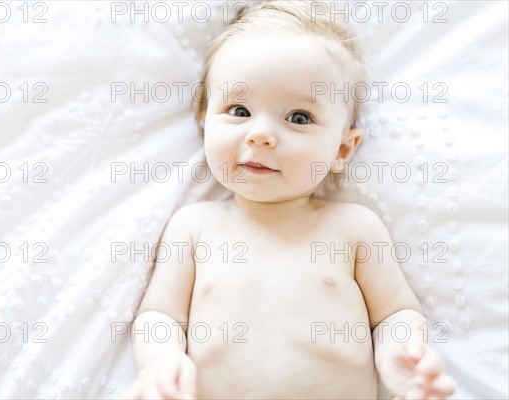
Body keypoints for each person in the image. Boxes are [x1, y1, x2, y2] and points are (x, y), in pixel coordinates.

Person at [122, 1, 455, 398]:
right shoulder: (194, 227)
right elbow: (160, 315)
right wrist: (161, 361)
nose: (261, 134)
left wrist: (402, 355)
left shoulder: (353, 227)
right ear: (204, 124)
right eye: (239, 110)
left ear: (342, 151)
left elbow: (395, 313)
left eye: (299, 117)